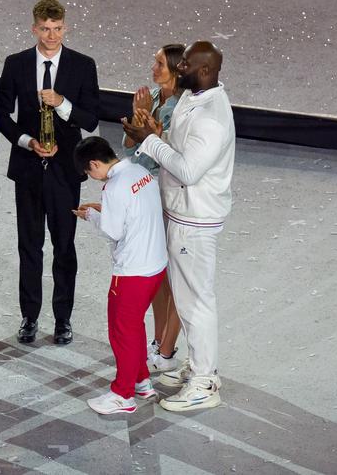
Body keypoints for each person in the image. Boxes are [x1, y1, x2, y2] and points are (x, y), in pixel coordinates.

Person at [122, 40, 236, 412]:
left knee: (195, 302)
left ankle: (204, 382)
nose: (178, 67)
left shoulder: (212, 119)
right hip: (183, 213)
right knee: (189, 300)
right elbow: (176, 145)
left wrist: (151, 141)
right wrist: (157, 132)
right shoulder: (193, 96)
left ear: (204, 71)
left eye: (185, 63)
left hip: (196, 221)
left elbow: (188, 169)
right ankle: (199, 367)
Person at [0, 0, 100, 345]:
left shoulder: (83, 66)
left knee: (64, 246)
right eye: (45, 29)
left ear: (65, 27)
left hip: (65, 171)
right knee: (30, 245)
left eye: (57, 29)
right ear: (34, 28)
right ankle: (29, 317)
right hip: (28, 167)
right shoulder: (16, 64)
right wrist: (26, 141)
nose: (51, 35)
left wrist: (62, 103)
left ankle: (63, 319)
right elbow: (1, 115)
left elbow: (91, 118)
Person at [72, 137, 167, 415]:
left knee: (121, 332)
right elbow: (134, 212)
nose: (92, 177)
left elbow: (113, 231)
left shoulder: (113, 186)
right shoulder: (140, 172)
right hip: (155, 267)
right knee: (134, 325)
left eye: (90, 173)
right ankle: (141, 380)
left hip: (132, 273)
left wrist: (91, 215)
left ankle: (122, 395)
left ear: (94, 164)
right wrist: (105, 210)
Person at [121, 44, 185, 373]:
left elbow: (167, 154)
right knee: (159, 275)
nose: (153, 68)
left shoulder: (181, 108)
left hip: (168, 198)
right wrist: (137, 117)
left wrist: (151, 128)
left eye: (160, 64)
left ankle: (169, 349)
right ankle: (159, 340)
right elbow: (131, 145)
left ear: (176, 69)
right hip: (145, 195)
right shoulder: (155, 100)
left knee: (175, 278)